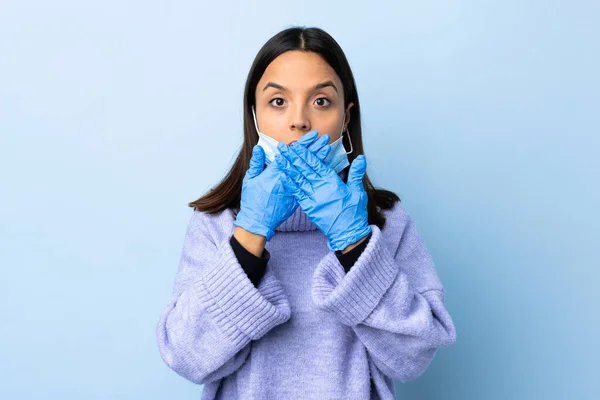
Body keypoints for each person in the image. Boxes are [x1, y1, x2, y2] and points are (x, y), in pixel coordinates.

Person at [156, 26, 457, 400]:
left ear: (346, 119)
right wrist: (249, 234)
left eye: (320, 102)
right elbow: (186, 357)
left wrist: (355, 245)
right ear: (254, 117)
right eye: (278, 102)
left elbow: (414, 357)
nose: (299, 121)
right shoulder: (217, 223)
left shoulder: (387, 223)